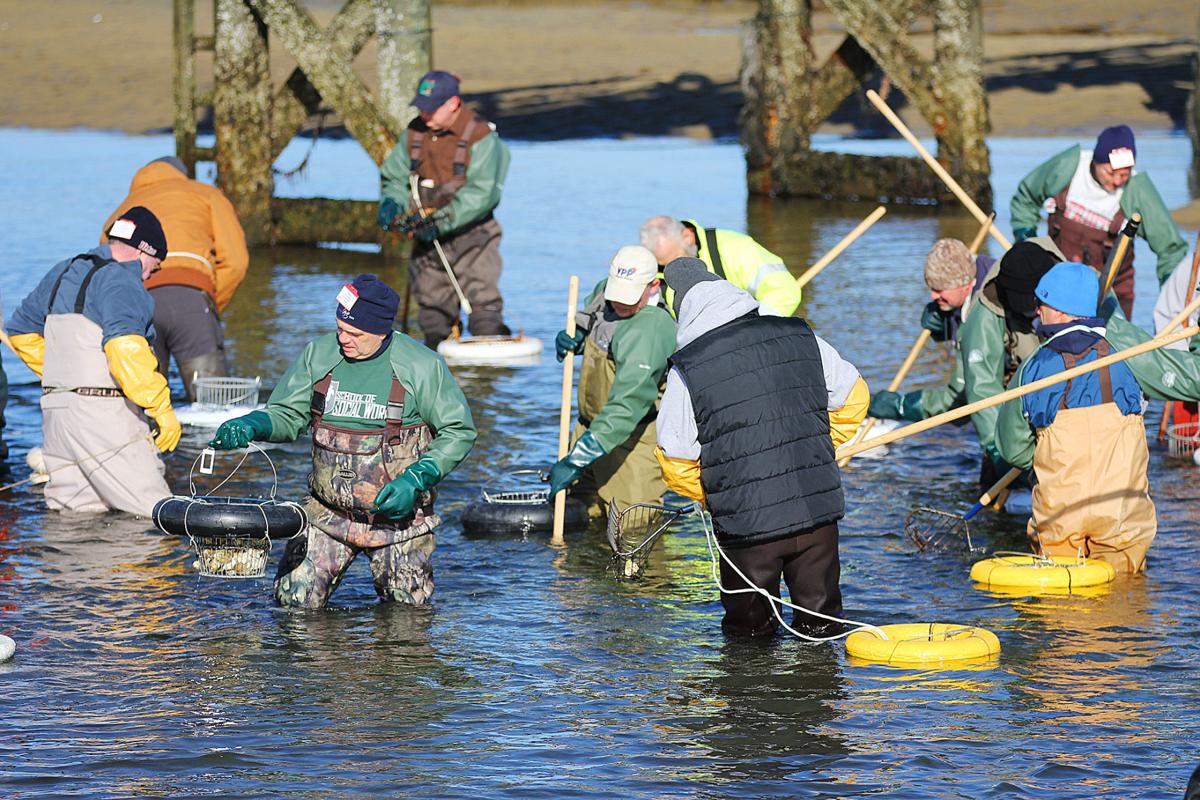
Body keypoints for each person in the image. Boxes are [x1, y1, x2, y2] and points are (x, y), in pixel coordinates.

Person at [209, 274, 476, 609]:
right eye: (340, 328)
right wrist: (254, 423)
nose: (344, 339)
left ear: (382, 331)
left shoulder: (422, 366)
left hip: (400, 523)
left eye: (355, 334)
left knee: (406, 620)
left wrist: (415, 479)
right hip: (326, 516)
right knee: (293, 607)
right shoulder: (319, 355)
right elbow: (288, 416)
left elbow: (459, 431)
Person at [654, 257, 868, 637]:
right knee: (823, 628)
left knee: (749, 638)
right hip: (817, 514)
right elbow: (854, 397)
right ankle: (825, 692)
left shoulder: (687, 368)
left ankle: (752, 698)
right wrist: (814, 451)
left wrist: (715, 495)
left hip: (748, 529)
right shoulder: (800, 333)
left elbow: (675, 458)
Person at [5, 207, 180, 516]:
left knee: (73, 519)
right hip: (103, 417)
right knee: (154, 515)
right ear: (144, 251)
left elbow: (19, 332)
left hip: (57, 417)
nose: (152, 274)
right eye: (156, 265)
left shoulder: (64, 270)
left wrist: (64, 374)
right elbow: (125, 349)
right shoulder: (123, 280)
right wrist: (161, 409)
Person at [995, 262, 1155, 574]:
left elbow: (1010, 446)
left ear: (1062, 310)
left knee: (1060, 604)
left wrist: (1046, 459)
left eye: (1042, 302)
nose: (1036, 309)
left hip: (1061, 513)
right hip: (1122, 510)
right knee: (1125, 595)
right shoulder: (1130, 354)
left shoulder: (1033, 369)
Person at [378, 70, 512, 348]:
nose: (424, 115)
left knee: (484, 313)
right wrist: (393, 204)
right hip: (427, 242)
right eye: (421, 108)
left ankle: (485, 383)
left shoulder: (482, 138)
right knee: (433, 320)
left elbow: (482, 194)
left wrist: (441, 221)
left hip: (475, 238)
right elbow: (395, 178)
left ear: (453, 103)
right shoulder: (414, 132)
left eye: (431, 108)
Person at [102, 156, 249, 400]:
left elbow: (107, 271)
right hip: (192, 303)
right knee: (213, 404)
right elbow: (236, 261)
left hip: (138, 305)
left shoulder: (123, 208)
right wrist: (208, 303)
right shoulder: (207, 194)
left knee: (143, 402)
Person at [548, 245, 676, 517]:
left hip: (632, 442)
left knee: (631, 531)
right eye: (616, 293)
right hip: (589, 429)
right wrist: (578, 339)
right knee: (580, 520)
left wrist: (579, 457)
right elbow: (594, 324)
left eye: (629, 298)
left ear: (653, 285)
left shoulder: (649, 330)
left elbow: (628, 403)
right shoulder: (605, 292)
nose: (619, 303)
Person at [1010, 125, 1188, 319]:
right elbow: (1025, 198)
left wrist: (1173, 297)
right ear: (1096, 161)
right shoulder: (1069, 168)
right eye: (1111, 173)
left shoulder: (1137, 191)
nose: (1118, 181)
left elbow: (1171, 248)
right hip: (1058, 289)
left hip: (1112, 299)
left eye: (1125, 174)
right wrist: (1026, 240)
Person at [869, 238, 994, 421]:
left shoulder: (986, 313)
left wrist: (903, 406)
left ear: (965, 285)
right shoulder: (971, 272)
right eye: (931, 287)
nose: (932, 295)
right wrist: (948, 323)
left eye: (940, 289)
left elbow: (962, 395)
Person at [639, 215, 801, 316]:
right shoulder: (652, 272)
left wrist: (757, 324)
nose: (676, 269)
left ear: (687, 236)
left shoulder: (734, 247)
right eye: (664, 266)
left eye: (676, 259)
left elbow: (785, 292)